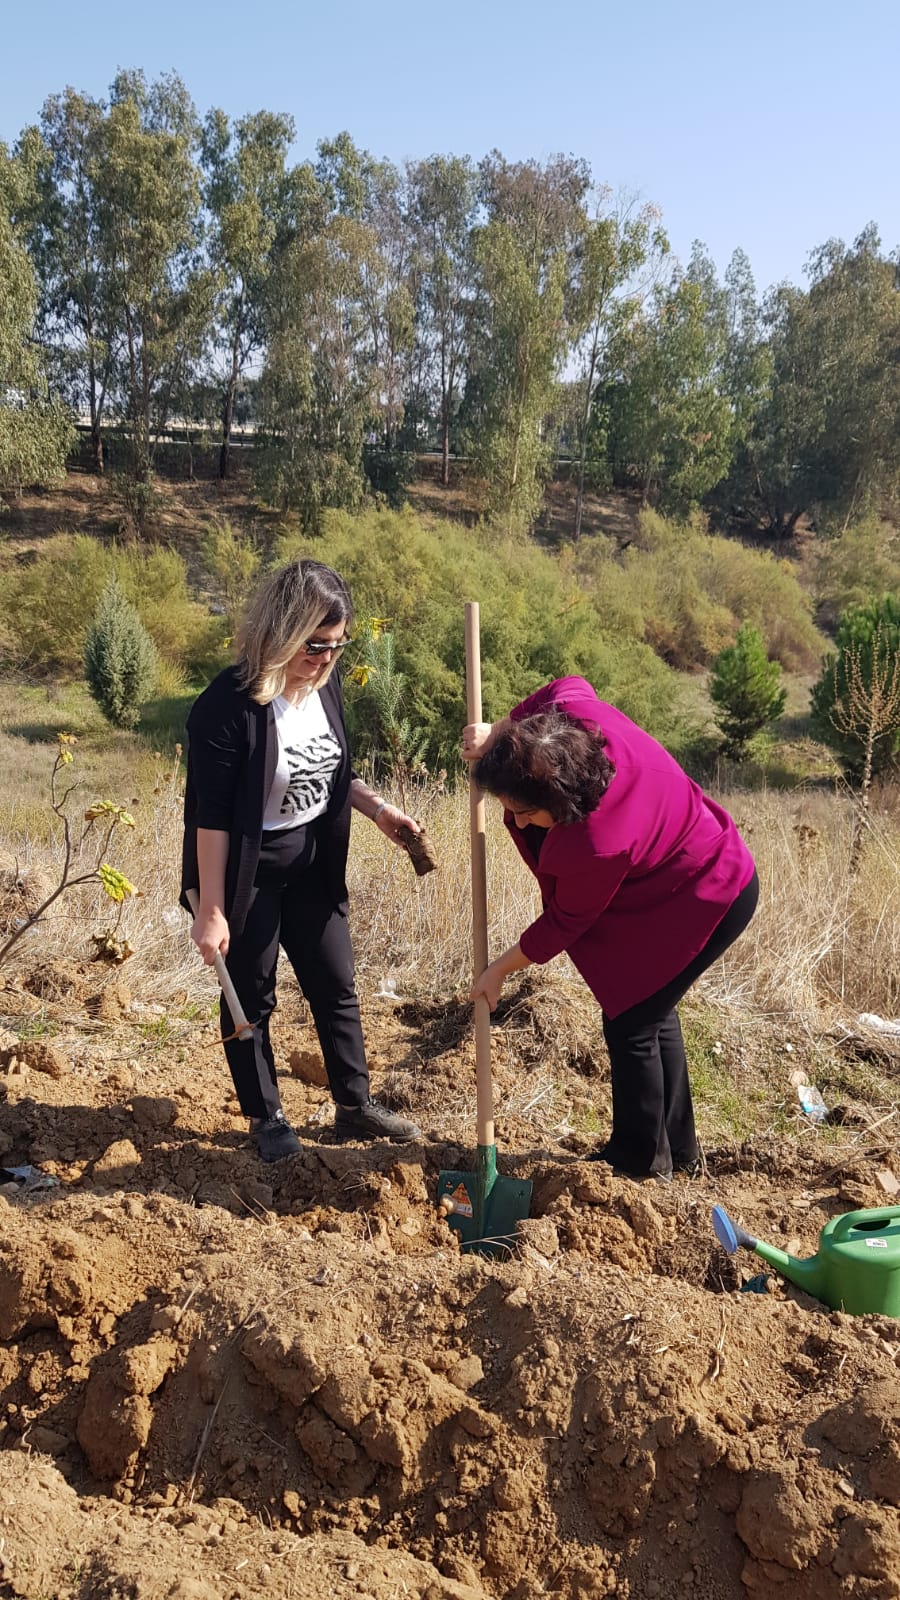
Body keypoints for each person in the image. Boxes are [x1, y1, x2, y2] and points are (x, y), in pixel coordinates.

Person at [461, 676, 758, 1183]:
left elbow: (566, 921)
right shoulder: (575, 719)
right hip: (679, 878)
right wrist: (500, 733)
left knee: (633, 1020)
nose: (519, 822)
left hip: (709, 891)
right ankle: (678, 1153)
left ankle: (639, 1164)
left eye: (523, 813)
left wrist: (498, 971)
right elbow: (569, 683)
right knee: (650, 1010)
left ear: (560, 803)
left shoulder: (594, 840)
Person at [181, 558, 421, 1162]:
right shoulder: (227, 708)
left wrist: (378, 810)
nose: (326, 659)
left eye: (338, 647)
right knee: (251, 998)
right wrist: (211, 908)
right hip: (247, 872)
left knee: (335, 982)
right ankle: (266, 1117)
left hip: (313, 859)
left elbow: (334, 769)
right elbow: (209, 819)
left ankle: (354, 1107)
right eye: (315, 646)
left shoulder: (323, 685)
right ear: (282, 630)